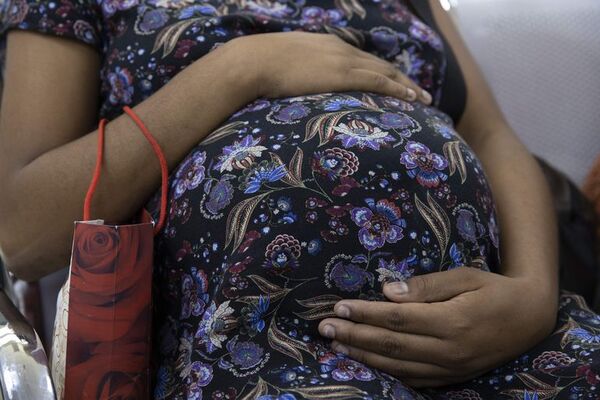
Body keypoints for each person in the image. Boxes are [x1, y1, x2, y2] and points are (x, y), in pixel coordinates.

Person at [0, 0, 598, 398]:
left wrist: (532, 297)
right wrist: (240, 71)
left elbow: (491, 135)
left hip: (490, 338)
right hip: (252, 347)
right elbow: (24, 230)